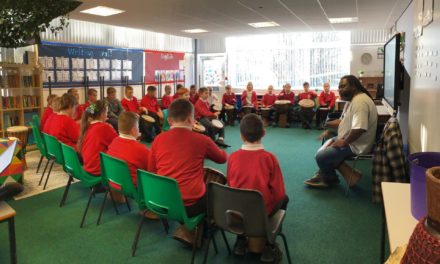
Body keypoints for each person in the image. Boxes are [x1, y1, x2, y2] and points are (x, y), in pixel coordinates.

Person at [148, 99, 227, 245]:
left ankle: (188, 227)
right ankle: (202, 228)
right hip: (190, 206)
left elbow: (151, 171)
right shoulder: (202, 140)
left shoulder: (158, 139)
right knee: (218, 191)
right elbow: (222, 158)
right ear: (192, 119)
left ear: (169, 120)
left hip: (161, 201)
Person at [227, 113, 288, 261]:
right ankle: (269, 244)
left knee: (239, 197)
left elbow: (230, 184)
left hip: (236, 211)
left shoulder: (233, 157)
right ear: (264, 133)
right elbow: (279, 193)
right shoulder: (269, 158)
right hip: (261, 211)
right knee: (285, 199)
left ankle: (241, 241)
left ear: (241, 136)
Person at [304, 75, 378, 188]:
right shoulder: (352, 100)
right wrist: (328, 126)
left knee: (320, 156)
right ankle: (334, 174)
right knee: (323, 148)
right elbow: (343, 121)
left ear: (354, 86)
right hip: (348, 139)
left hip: (356, 145)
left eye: (343, 86)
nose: (340, 89)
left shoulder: (360, 102)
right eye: (339, 87)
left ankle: (330, 179)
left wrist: (344, 142)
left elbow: (359, 128)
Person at [107, 111, 149, 186]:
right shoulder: (141, 149)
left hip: (114, 181)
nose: (139, 130)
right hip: (132, 186)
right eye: (138, 127)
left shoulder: (114, 142)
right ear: (133, 130)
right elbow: (150, 169)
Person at [78, 100, 118, 176]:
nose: (107, 115)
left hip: (88, 167)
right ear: (102, 114)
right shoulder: (104, 127)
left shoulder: (87, 125)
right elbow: (118, 144)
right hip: (99, 169)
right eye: (106, 112)